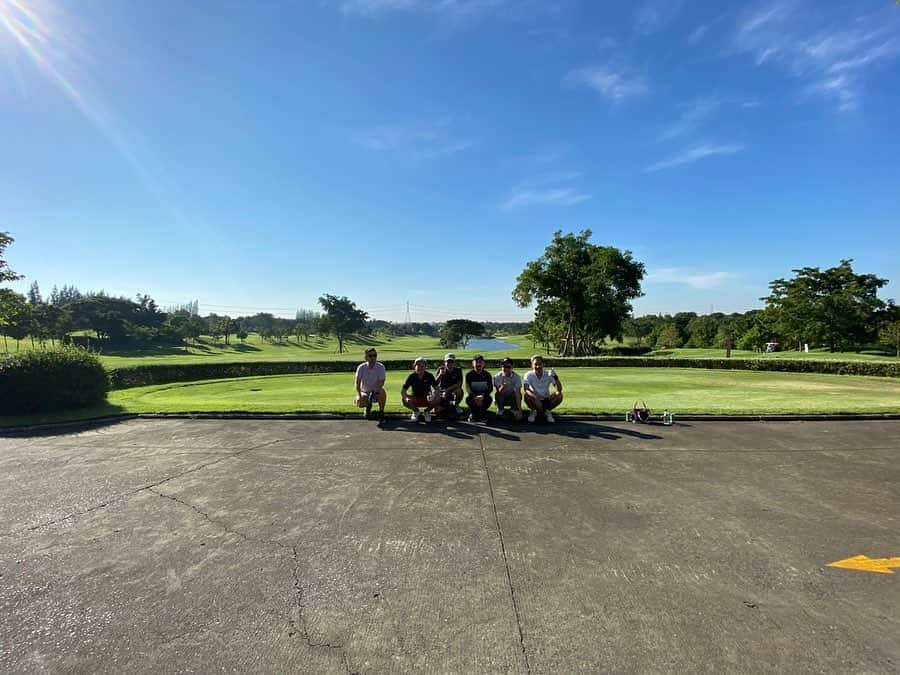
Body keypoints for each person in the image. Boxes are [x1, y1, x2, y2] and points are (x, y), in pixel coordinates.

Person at [523, 354, 563, 423]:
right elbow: (526, 389)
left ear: (543, 364)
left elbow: (559, 389)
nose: (538, 366)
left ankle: (546, 411)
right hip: (534, 400)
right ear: (532, 365)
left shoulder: (548, 374)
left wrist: (555, 377)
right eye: (535, 364)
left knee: (559, 394)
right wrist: (535, 397)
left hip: (546, 400)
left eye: (540, 364)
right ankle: (535, 411)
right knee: (526, 395)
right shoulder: (528, 374)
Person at [401, 357, 437, 423]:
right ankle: (415, 411)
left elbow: (436, 389)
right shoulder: (411, 376)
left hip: (427, 398)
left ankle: (427, 412)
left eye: (422, 366)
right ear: (414, 366)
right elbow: (403, 391)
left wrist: (434, 395)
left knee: (438, 398)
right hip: (415, 398)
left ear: (425, 367)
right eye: (418, 365)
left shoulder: (429, 375)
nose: (420, 368)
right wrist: (406, 399)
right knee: (404, 399)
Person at [355, 347, 386, 421]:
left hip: (376, 391)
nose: (373, 358)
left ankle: (381, 412)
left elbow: (382, 381)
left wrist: (375, 392)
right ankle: (368, 407)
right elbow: (357, 383)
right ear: (366, 357)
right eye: (370, 356)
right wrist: (359, 395)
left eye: (375, 355)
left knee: (382, 393)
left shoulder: (381, 367)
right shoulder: (361, 367)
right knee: (360, 402)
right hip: (364, 391)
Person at [464, 354, 493, 422]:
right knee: (468, 399)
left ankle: (482, 414)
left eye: (480, 362)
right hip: (473, 396)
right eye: (476, 362)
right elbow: (468, 388)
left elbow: (490, 388)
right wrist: (475, 397)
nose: (478, 364)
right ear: (473, 364)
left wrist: (482, 396)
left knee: (489, 399)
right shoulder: (469, 375)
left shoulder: (487, 375)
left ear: (483, 364)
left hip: (484, 396)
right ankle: (475, 414)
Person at [493, 357, 523, 422]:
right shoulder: (497, 376)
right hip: (502, 397)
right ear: (501, 367)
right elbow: (498, 393)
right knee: (497, 395)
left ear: (512, 367)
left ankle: (514, 410)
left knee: (519, 395)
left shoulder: (517, 377)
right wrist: (502, 387)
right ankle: (500, 410)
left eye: (508, 367)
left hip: (512, 397)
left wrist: (520, 410)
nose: (506, 369)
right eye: (504, 366)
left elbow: (518, 394)